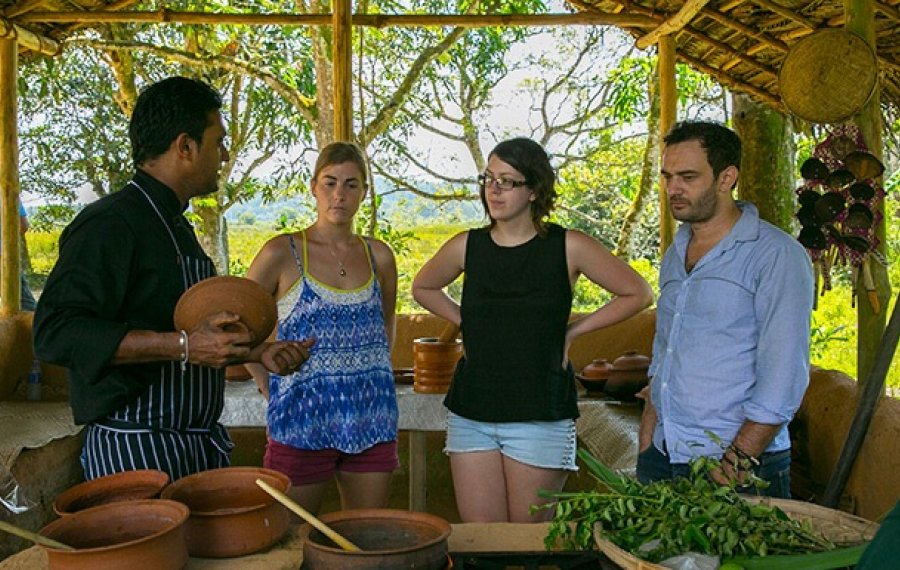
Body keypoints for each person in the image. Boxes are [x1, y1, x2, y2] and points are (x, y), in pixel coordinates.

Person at [33, 76, 311, 482]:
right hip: (135, 447)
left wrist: (255, 354)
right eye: (217, 141)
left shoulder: (175, 226)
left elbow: (185, 335)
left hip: (192, 445)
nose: (224, 154)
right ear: (185, 146)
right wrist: (182, 345)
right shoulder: (110, 224)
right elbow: (55, 332)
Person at [412, 137, 653, 523]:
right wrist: (465, 319)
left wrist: (573, 332)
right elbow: (421, 286)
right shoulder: (466, 246)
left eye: (507, 181)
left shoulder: (567, 245)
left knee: (529, 543)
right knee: (484, 545)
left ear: (534, 190)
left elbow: (638, 293)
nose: (493, 189)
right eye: (488, 178)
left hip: (540, 412)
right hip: (473, 411)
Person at [637, 121, 814, 498]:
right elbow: (664, 349)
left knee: (739, 561)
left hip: (739, 464)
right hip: (666, 453)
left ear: (726, 178)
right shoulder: (675, 252)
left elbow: (784, 374)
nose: (673, 189)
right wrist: (648, 435)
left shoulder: (776, 255)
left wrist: (738, 460)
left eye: (687, 177)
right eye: (668, 176)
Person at [245, 141, 399, 515]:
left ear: (364, 191)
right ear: (313, 186)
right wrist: (264, 380)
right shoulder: (282, 253)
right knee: (290, 539)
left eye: (351, 184)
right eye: (330, 183)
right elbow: (239, 326)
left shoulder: (378, 255)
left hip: (372, 419)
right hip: (301, 420)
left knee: (364, 537)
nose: (339, 195)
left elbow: (386, 324)